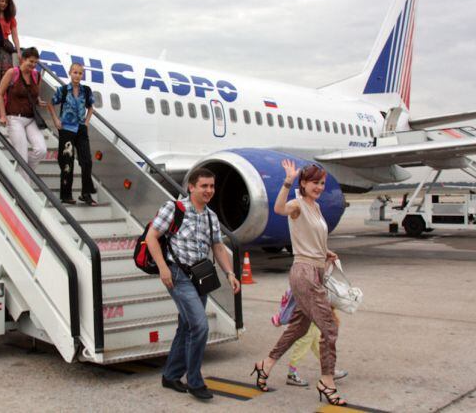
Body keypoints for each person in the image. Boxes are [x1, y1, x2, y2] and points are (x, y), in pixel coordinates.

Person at [251, 160, 347, 406]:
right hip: (304, 273)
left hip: (316, 270)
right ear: (303, 183)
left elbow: (312, 236)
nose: (319, 187)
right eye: (315, 182)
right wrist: (286, 181)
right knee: (329, 327)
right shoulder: (298, 205)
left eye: (322, 183)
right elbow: (279, 208)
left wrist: (326, 252)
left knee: (299, 328)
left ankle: (266, 364)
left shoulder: (315, 206)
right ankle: (327, 380)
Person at [146, 168, 241, 401]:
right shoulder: (174, 209)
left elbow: (218, 246)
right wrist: (162, 267)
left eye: (212, 186)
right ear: (191, 187)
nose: (209, 190)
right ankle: (195, 381)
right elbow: (151, 237)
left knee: (187, 326)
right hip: (178, 275)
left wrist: (230, 272)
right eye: (204, 186)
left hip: (201, 277)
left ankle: (170, 375)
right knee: (200, 326)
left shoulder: (211, 216)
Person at [46, 62, 97, 205]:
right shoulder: (63, 90)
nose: (77, 75)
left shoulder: (86, 90)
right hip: (66, 129)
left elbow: (91, 107)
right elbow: (50, 103)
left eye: (80, 73)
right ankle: (66, 194)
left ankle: (86, 194)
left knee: (86, 161)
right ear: (70, 73)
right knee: (67, 163)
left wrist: (86, 122)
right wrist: (56, 119)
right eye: (75, 72)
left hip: (81, 129)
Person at [0, 47, 47, 174]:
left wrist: (38, 100)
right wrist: (2, 115)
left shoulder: (36, 75)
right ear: (23, 60)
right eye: (31, 61)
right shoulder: (12, 73)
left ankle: (22, 173)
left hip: (30, 119)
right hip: (14, 118)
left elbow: (35, 94)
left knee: (41, 150)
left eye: (36, 62)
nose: (33, 65)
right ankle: (26, 189)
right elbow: (0, 94)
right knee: (22, 155)